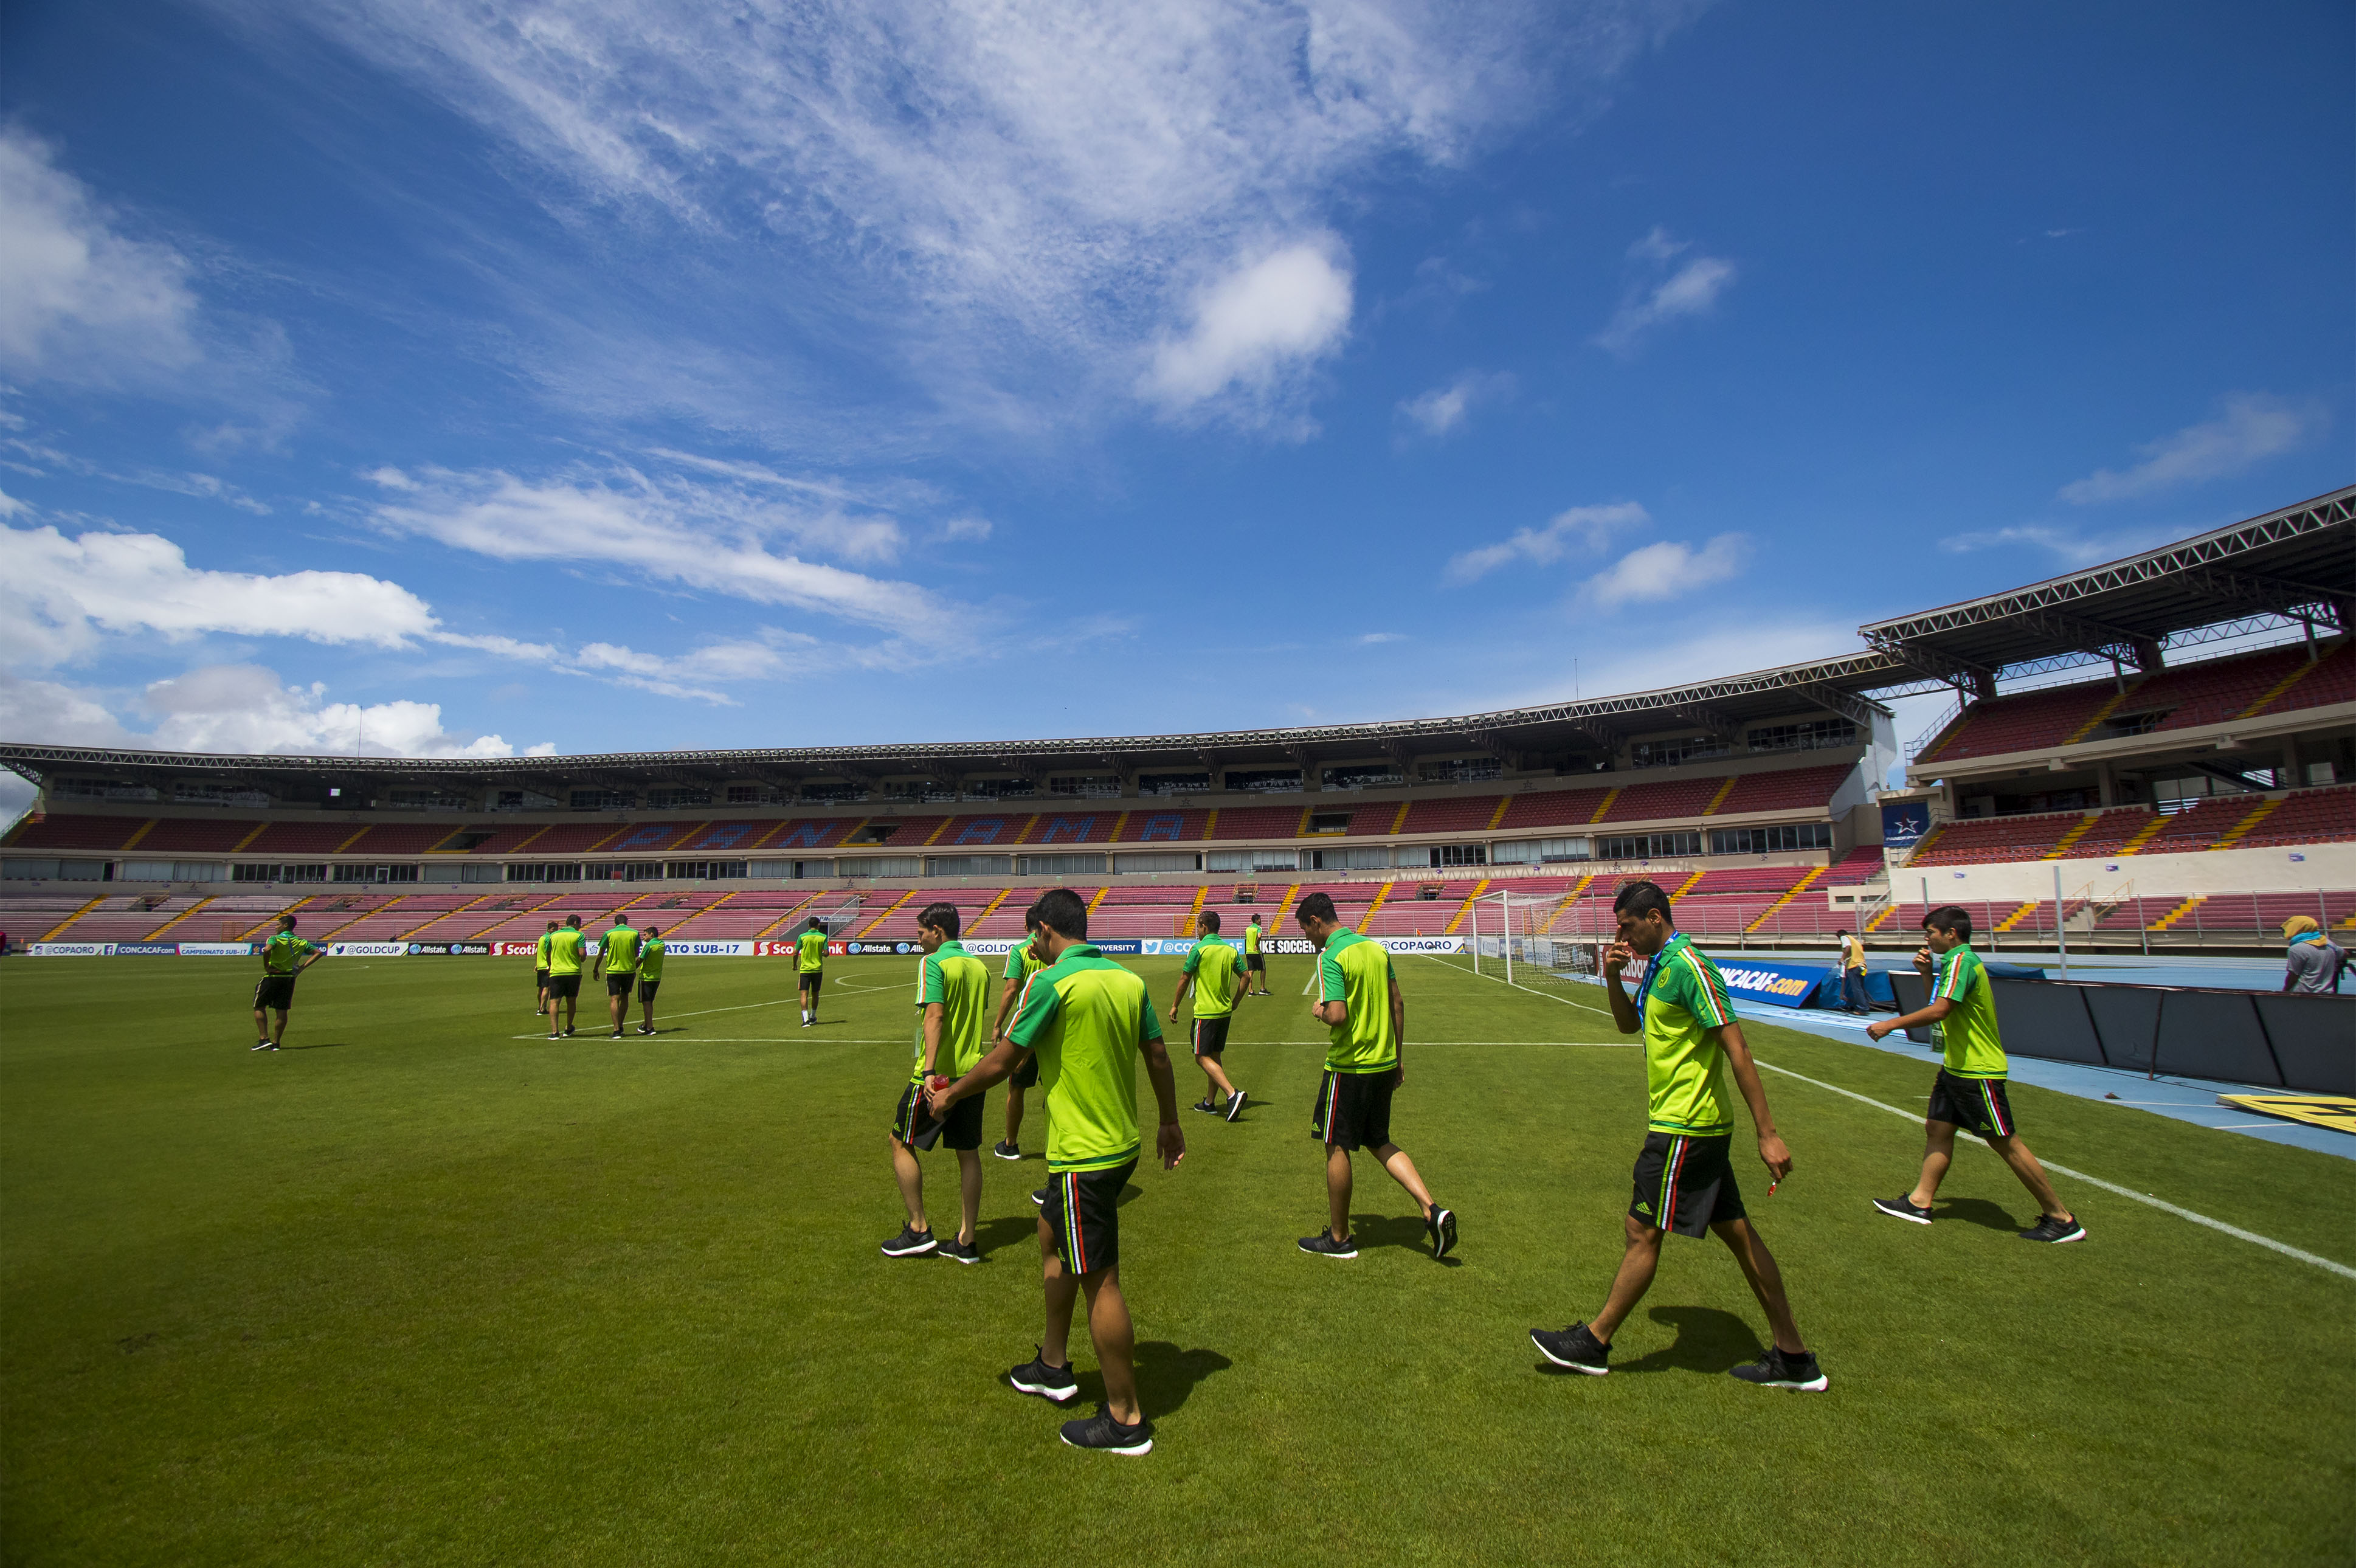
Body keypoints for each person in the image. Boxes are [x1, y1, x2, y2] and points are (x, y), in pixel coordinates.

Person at [1531, 880, 1826, 1390]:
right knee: (1739, 1237)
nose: (1621, 935)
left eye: (1627, 925)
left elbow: (1738, 1048)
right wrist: (1613, 977)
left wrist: (1768, 1133)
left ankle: (1595, 1341)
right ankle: (1794, 1358)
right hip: (1689, 1126)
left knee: (1641, 1230)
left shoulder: (1688, 965)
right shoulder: (1658, 967)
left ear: (1653, 917)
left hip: (1686, 1129)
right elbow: (1629, 1027)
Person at [925, 886, 1183, 1456]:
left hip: (1083, 1154)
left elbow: (1005, 1059)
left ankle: (1125, 1418)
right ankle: (1052, 1362)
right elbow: (1159, 1056)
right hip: (1121, 1147)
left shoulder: (1052, 982)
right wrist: (1170, 1121)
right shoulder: (1127, 980)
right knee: (1049, 1232)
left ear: (1045, 930)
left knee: (1102, 1280)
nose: (1032, 947)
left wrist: (951, 1096)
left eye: (1033, 936)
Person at [1866, 907, 2085, 1244]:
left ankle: (2061, 1218)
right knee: (1937, 1129)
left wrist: (1889, 1024)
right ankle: (1919, 1202)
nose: (1927, 939)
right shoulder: (1954, 963)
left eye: (1931, 933)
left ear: (1951, 933)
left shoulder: (1961, 962)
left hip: (1976, 1071)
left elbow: (1940, 1010)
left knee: (2004, 1142)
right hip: (1957, 1068)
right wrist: (1926, 974)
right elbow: (1942, 1007)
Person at [1293, 892, 1456, 1261]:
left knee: (1335, 1143)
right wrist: (1397, 1058)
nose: (1307, 938)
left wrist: (1319, 1010)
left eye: (1306, 930)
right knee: (1379, 1140)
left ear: (1316, 922)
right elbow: (1397, 1002)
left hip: (1350, 1066)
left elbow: (1338, 1015)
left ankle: (1338, 1239)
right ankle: (1432, 1211)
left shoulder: (1332, 955)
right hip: (1383, 1062)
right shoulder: (1376, 949)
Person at [882, 903, 995, 1263]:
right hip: (973, 1073)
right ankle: (967, 1240)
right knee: (968, 1152)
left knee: (899, 1141)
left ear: (937, 931)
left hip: (939, 1075)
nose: (918, 940)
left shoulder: (933, 963)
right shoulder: (979, 967)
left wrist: (929, 1072)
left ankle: (918, 1230)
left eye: (921, 933)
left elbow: (936, 1015)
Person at [1169, 909, 1248, 1121]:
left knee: (1201, 1057)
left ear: (1205, 927)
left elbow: (1185, 978)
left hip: (1206, 1013)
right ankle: (1210, 1103)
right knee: (1215, 1056)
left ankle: (1232, 1095)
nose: (1197, 930)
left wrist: (1175, 1005)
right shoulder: (1230, 950)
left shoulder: (1198, 950)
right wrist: (1236, 1001)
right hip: (1224, 1012)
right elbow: (1246, 977)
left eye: (1198, 926)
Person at [990, 902, 1050, 1163]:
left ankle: (1011, 1144)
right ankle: (1056, 1147)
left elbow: (1011, 990)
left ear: (1027, 927)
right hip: (1052, 1028)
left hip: (1026, 1029)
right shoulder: (1056, 951)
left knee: (1016, 1088)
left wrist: (998, 1024)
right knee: (1054, 1090)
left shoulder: (1018, 951)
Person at [250, 914, 325, 1051]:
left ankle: (263, 1039)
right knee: (282, 1010)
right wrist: (302, 967)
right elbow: (318, 953)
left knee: (259, 1006)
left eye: (278, 924)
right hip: (289, 979)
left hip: (273, 976)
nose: (276, 927)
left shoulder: (275, 939)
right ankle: (276, 1043)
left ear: (285, 925)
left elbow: (267, 949)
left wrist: (267, 965)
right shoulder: (301, 942)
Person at [594, 911, 643, 1039]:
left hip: (613, 970)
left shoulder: (609, 934)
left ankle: (616, 1029)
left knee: (614, 999)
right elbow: (636, 953)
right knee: (625, 997)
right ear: (627, 922)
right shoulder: (634, 933)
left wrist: (596, 969)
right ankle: (620, 1025)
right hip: (629, 970)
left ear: (615, 923)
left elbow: (600, 954)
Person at [2280, 916, 2349, 993]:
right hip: (2327, 993)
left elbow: (2294, 976)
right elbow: (2344, 954)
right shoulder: (2328, 943)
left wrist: (2285, 991)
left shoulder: (2297, 949)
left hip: (2303, 995)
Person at [544, 915, 586, 1040]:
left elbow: (548, 953)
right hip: (573, 972)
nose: (580, 927)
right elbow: (582, 955)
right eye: (579, 924)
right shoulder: (579, 935)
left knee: (554, 1001)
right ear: (575, 923)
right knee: (571, 1001)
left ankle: (554, 1032)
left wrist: (551, 966)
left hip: (556, 972)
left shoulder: (553, 936)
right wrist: (582, 958)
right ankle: (568, 1028)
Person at [796, 918, 828, 1027]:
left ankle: (805, 1021)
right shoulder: (823, 937)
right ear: (819, 925)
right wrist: (821, 953)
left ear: (809, 925)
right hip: (817, 969)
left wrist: (794, 964)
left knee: (804, 994)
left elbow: (795, 952)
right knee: (815, 994)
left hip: (805, 969)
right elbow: (826, 953)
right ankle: (813, 1017)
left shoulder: (802, 936)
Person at [635, 925, 666, 1034]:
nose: (643, 937)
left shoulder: (649, 946)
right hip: (657, 977)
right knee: (650, 1002)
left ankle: (650, 1027)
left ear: (651, 934)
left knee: (646, 1002)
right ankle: (645, 1024)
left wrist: (631, 968)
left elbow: (640, 960)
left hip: (646, 977)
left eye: (645, 935)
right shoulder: (662, 944)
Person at [1837, 928, 1869, 1014]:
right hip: (1862, 966)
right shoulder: (1855, 941)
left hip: (1854, 966)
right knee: (1861, 988)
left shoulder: (1844, 937)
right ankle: (1865, 1005)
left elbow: (1847, 947)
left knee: (1857, 988)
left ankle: (1862, 1008)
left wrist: (1842, 959)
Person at [533, 919, 559, 1019]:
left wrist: (536, 964)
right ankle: (542, 1008)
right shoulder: (549, 938)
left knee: (541, 987)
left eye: (556, 929)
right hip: (546, 965)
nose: (555, 931)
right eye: (553, 929)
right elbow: (549, 953)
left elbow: (538, 952)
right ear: (549, 929)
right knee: (546, 987)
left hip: (540, 965)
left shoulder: (542, 938)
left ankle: (540, 1006)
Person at [1242, 912, 1270, 996]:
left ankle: (1250, 991)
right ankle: (1262, 988)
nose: (1261, 921)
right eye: (1260, 920)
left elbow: (1246, 939)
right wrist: (1256, 945)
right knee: (1263, 969)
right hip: (1256, 952)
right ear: (1256, 921)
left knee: (1251, 971)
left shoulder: (1248, 929)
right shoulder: (1258, 928)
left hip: (1248, 952)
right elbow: (1259, 936)